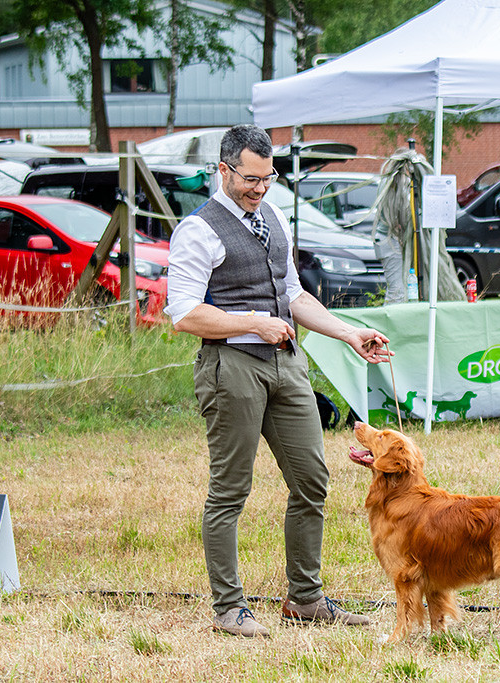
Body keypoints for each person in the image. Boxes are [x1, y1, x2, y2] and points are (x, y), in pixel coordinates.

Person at [166, 124, 391, 638]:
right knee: (230, 491)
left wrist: (347, 333)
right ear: (223, 170)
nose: (261, 188)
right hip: (232, 368)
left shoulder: (271, 216)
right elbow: (183, 315)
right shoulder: (198, 230)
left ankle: (305, 599)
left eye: (268, 178)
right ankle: (229, 608)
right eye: (251, 179)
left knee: (312, 480)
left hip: (286, 364)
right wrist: (251, 321)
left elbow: (293, 294)